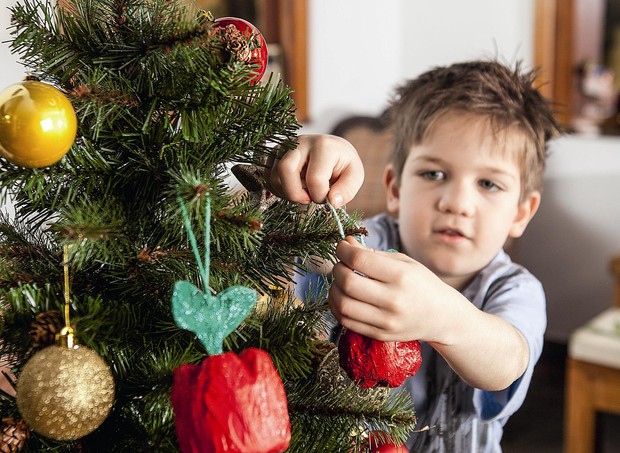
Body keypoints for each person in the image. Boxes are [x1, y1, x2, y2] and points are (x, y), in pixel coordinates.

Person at [264, 59, 561, 452]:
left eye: (489, 183)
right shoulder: (365, 243)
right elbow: (304, 247)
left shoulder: (514, 288)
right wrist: (309, 171)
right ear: (395, 189)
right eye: (434, 174)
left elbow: (507, 362)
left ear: (521, 212)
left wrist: (443, 318)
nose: (457, 203)